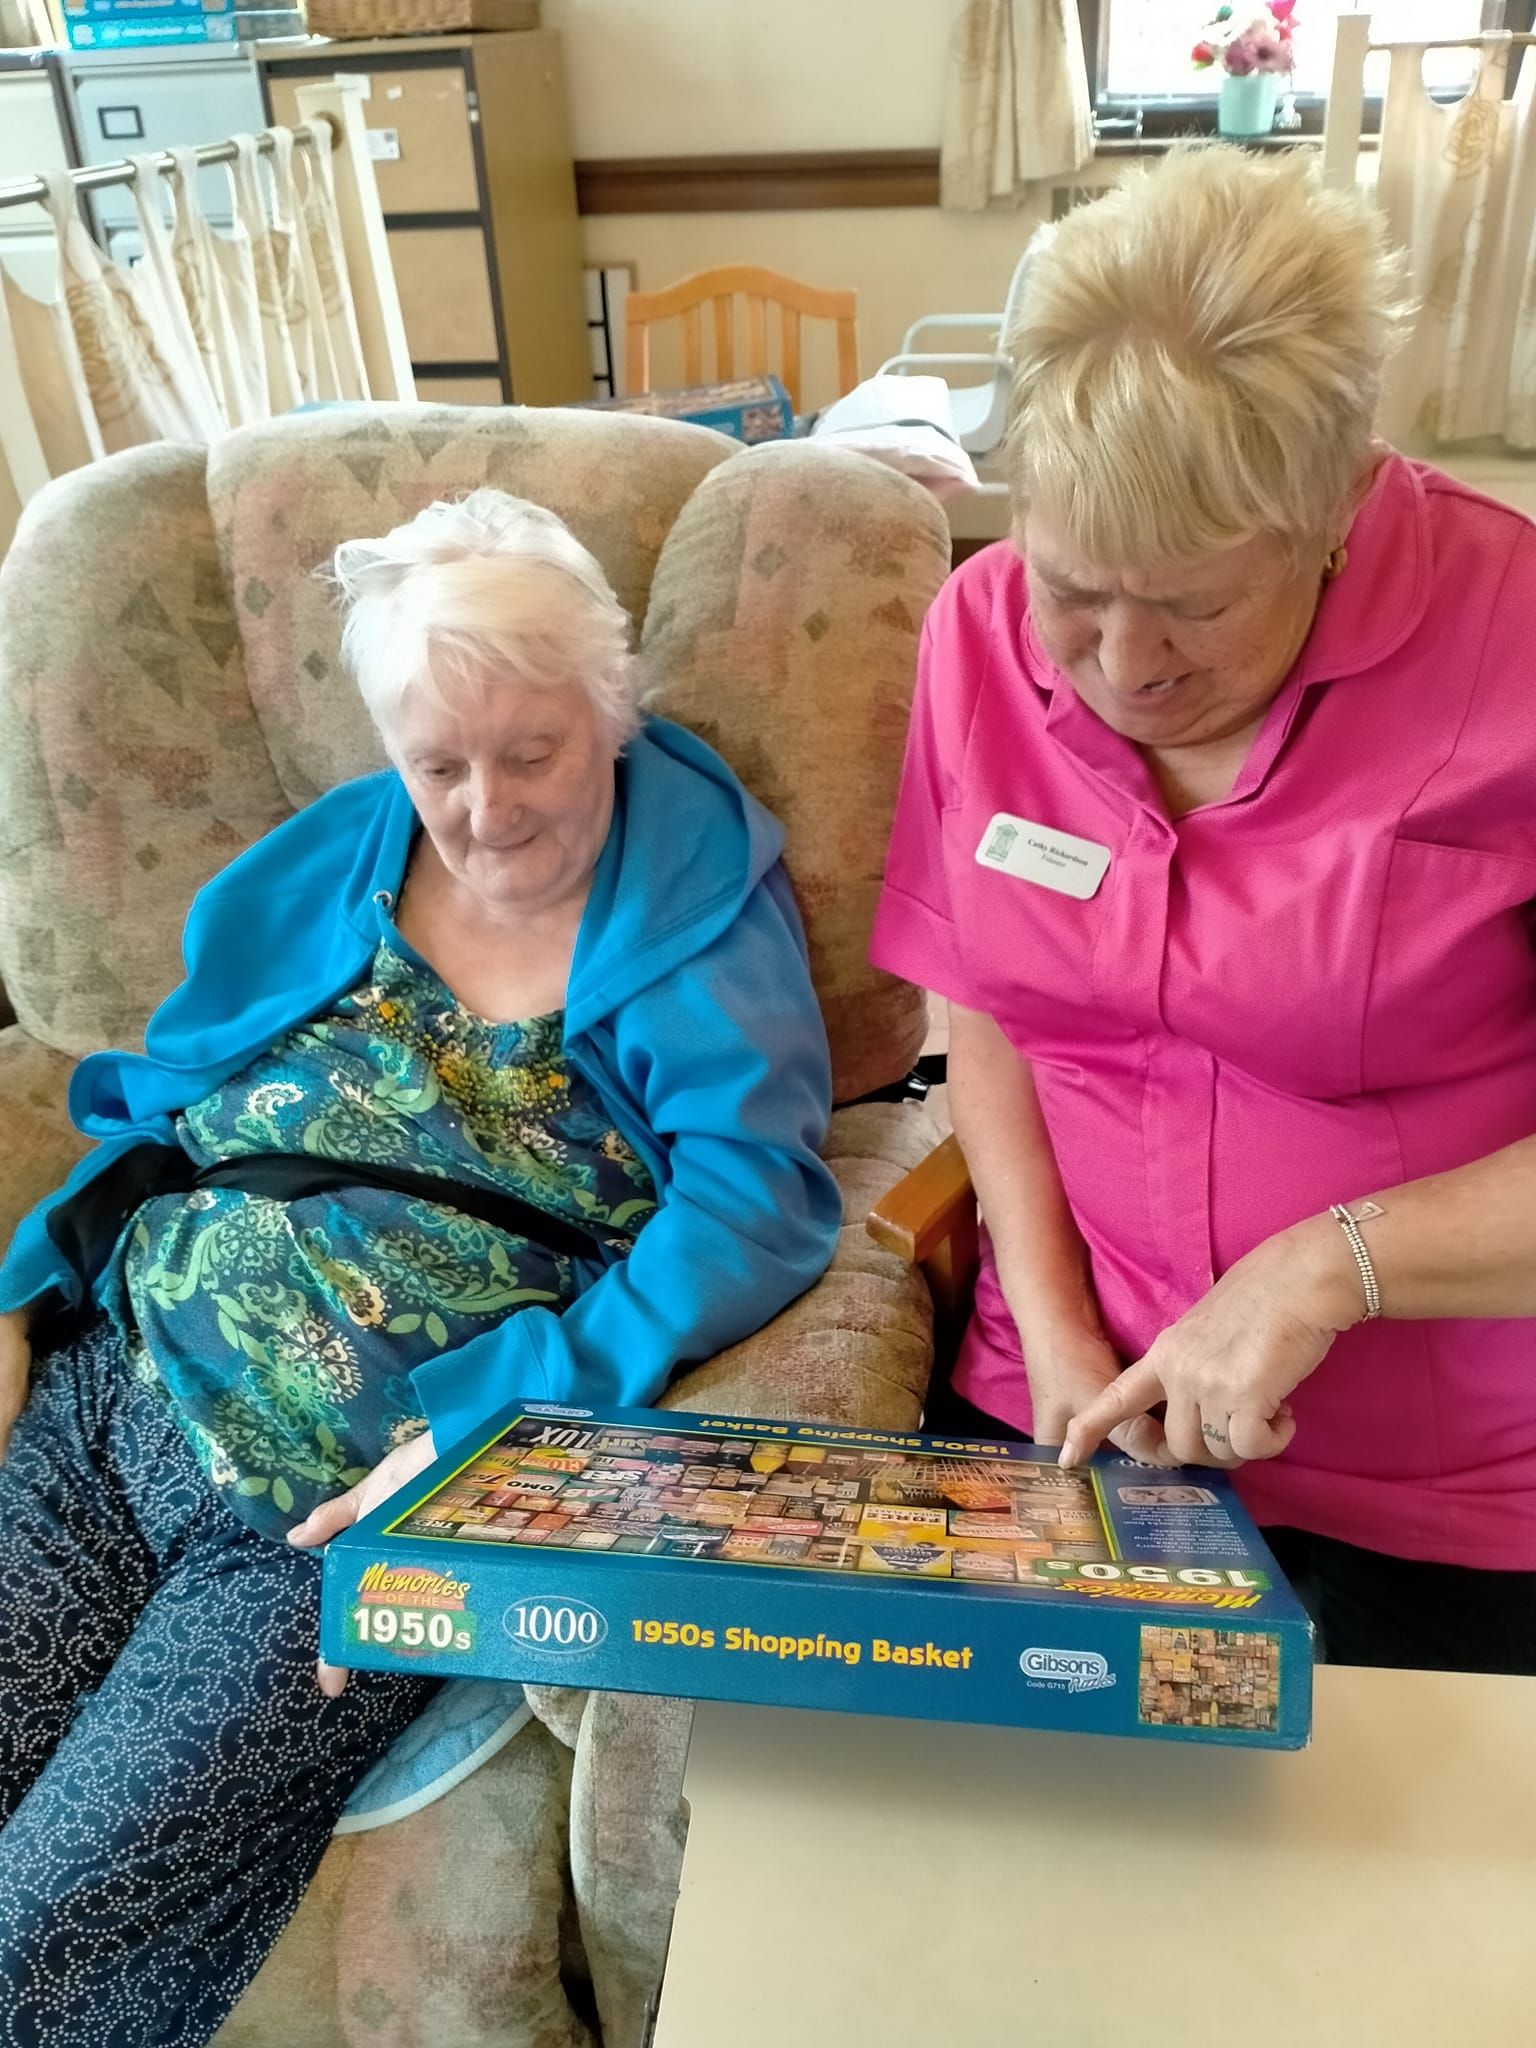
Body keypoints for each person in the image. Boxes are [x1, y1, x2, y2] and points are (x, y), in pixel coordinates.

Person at [0, 488, 841, 2047]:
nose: (486, 811)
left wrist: (490, 1432)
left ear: (614, 710)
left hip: (325, 1511)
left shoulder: (692, 902)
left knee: (35, 1926)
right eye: (435, 764)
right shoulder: (343, 856)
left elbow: (761, 1205)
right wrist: (22, 1285)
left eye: (533, 754)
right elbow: (186, 1107)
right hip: (108, 1394)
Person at [872, 146, 1536, 1676]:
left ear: (1339, 505)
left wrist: (1330, 1265)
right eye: (1074, 589)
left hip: (1444, 1483)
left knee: (1355, 1888)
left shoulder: (1509, 647)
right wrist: (1049, 1340)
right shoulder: (974, 638)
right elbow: (983, 1022)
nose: (1125, 662)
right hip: (1077, 1394)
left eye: (1199, 601)